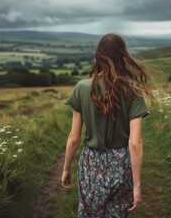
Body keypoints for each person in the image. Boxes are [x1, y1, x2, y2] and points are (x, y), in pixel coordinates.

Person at [61, 33, 153, 218]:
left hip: (91, 165)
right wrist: (137, 186)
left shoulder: (81, 88)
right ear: (123, 56)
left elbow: (74, 137)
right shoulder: (132, 89)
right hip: (122, 165)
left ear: (98, 56)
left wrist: (65, 168)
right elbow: (135, 143)